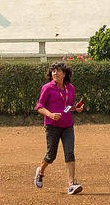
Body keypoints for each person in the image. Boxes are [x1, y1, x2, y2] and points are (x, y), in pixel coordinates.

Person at [34, 61, 84, 194]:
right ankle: (40, 171)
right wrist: (50, 114)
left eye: (58, 71)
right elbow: (39, 107)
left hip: (68, 125)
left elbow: (68, 106)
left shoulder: (70, 88)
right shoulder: (47, 88)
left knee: (70, 153)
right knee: (51, 155)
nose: (55, 73)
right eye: (53, 71)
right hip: (52, 126)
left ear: (64, 73)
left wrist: (76, 108)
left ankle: (71, 185)